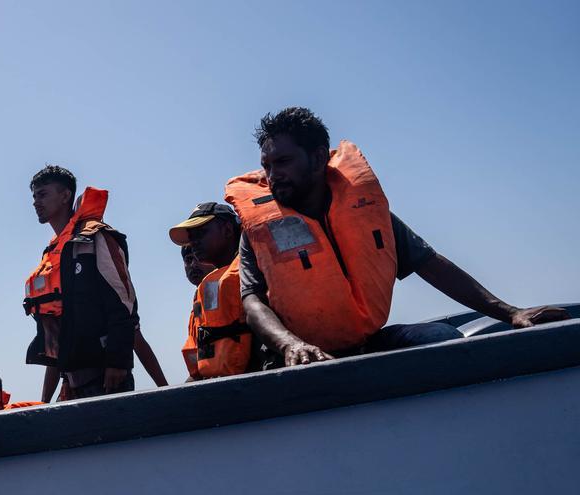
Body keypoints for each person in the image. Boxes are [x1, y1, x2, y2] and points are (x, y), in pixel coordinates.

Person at [226, 107, 569, 367]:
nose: (272, 175)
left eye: (282, 161)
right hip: (297, 358)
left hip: (367, 343)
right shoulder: (258, 232)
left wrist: (510, 313)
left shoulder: (365, 210)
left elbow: (430, 264)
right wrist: (289, 345)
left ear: (318, 159)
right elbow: (252, 301)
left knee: (442, 338)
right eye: (266, 165)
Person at [24, 166, 141, 402]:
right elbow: (58, 332)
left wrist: (118, 362)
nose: (36, 202)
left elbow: (123, 303)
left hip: (106, 379)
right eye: (34, 196)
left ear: (65, 196)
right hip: (70, 383)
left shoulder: (96, 238)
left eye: (43, 194)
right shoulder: (53, 253)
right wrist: (44, 402)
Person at [170, 202, 254, 379]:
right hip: (222, 387)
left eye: (200, 233)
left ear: (227, 230)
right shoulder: (206, 292)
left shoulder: (256, 271)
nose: (194, 243)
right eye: (191, 237)